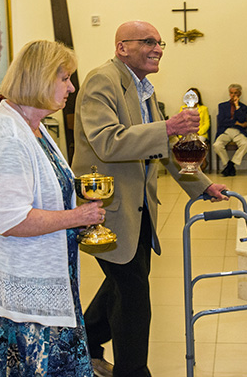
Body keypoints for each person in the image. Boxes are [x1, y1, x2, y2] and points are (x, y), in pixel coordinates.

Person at [72, 20, 228, 377]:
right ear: (121, 46)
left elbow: (167, 148)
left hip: (139, 211)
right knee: (133, 297)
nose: (158, 48)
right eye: (148, 41)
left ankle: (86, 344)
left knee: (124, 282)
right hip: (107, 210)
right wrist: (168, 126)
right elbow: (108, 142)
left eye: (159, 42)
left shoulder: (144, 89)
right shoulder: (102, 81)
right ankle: (133, 371)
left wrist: (201, 184)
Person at [0, 40, 106, 377]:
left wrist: (75, 204)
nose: (71, 87)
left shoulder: (34, 126)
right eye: (64, 78)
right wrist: (78, 216)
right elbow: (12, 220)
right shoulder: (8, 139)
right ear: (39, 79)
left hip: (43, 279)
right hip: (24, 292)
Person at [213, 83, 247, 176]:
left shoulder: (244, 107)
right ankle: (229, 165)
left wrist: (237, 106)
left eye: (236, 93)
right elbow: (221, 121)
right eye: (231, 93)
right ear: (229, 94)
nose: (233, 95)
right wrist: (236, 123)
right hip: (225, 131)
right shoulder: (222, 106)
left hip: (238, 131)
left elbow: (242, 119)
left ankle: (231, 165)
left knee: (245, 144)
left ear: (239, 94)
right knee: (217, 145)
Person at [178, 87, 210, 170]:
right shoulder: (183, 108)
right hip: (186, 133)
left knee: (195, 142)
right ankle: (188, 164)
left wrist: (197, 132)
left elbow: (206, 123)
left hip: (200, 133)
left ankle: (198, 163)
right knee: (184, 143)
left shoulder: (203, 108)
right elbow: (181, 123)